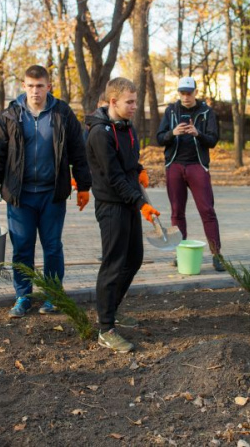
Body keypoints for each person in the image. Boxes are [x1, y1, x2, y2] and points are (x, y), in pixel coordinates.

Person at [0, 65, 91, 318]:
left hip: (52, 194)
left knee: (52, 246)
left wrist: (84, 185)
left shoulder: (62, 114)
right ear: (23, 86)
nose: (35, 91)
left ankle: (53, 295)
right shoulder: (10, 115)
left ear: (48, 86)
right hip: (19, 196)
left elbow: (79, 151)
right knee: (22, 248)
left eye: (40, 86)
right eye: (30, 86)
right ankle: (23, 296)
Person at [86, 77, 159, 353]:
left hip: (128, 200)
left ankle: (111, 308)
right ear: (113, 101)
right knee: (113, 264)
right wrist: (141, 203)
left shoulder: (127, 127)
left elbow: (127, 161)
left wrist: (139, 168)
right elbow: (113, 176)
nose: (135, 106)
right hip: (112, 204)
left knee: (134, 258)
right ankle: (106, 328)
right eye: (129, 102)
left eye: (135, 101)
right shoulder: (100, 133)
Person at [156, 77, 225, 272]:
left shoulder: (206, 112)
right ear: (179, 93)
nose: (186, 97)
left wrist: (198, 133)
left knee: (207, 210)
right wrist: (173, 133)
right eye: (182, 93)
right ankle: (180, 253)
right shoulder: (171, 111)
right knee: (177, 212)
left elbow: (213, 140)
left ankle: (217, 254)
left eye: (189, 93)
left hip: (197, 165)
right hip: (175, 166)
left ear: (195, 92)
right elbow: (160, 138)